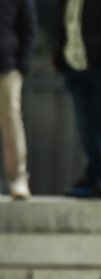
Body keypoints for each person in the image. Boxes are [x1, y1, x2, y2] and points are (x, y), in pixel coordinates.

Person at [55, 0, 101, 197]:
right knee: (86, 125)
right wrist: (61, 59)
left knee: (100, 124)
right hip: (73, 66)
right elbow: (64, 27)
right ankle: (97, 177)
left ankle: (100, 177)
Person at [0, 0, 36, 199]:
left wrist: (23, 65)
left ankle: (18, 179)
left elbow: (28, 27)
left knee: (11, 121)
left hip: (7, 68)